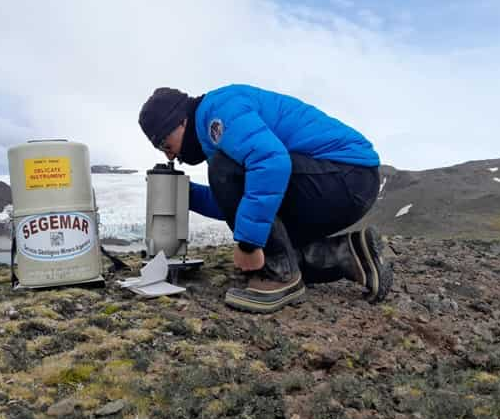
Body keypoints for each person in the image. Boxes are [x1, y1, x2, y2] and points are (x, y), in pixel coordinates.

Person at [138, 84, 392, 313]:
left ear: (179, 122)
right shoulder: (217, 129)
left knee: (224, 170)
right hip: (344, 182)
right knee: (280, 243)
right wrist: (186, 195)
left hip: (345, 175)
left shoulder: (218, 112)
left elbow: (271, 163)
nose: (170, 156)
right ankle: (349, 252)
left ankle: (280, 275)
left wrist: (249, 244)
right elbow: (241, 202)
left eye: (165, 145)